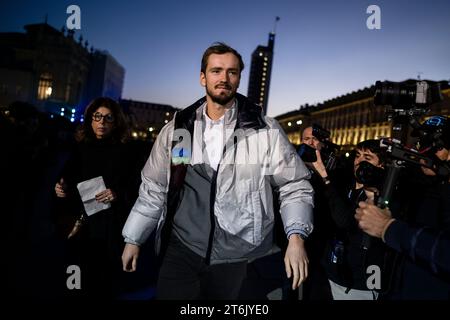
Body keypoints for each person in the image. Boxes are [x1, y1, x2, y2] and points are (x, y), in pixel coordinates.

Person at [121, 42, 314, 300]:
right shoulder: (180, 129)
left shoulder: (264, 130)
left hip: (239, 256)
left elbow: (294, 186)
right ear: (203, 77)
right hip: (181, 250)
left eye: (232, 72)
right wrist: (134, 238)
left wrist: (296, 237)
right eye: (216, 70)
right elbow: (155, 188)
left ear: (238, 79)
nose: (224, 78)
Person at [54, 97, 144, 298]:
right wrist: (60, 188)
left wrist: (117, 193)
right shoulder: (80, 147)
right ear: (90, 119)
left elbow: (137, 186)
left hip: (109, 230)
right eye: (97, 116)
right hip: (80, 227)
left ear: (116, 122)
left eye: (108, 118)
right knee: (74, 280)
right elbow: (66, 178)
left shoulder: (127, 151)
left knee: (102, 284)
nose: (102, 122)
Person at [355, 116, 450, 299]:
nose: (425, 151)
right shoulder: (422, 183)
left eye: (436, 146)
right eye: (422, 143)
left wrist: (388, 228)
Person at [318, 139, 389, 300]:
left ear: (381, 166)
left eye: (368, 157)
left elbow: (345, 221)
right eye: (358, 155)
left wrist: (325, 177)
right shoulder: (344, 183)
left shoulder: (382, 195)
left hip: (362, 284)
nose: (359, 161)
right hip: (332, 275)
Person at [297, 125, 334, 300]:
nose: (311, 143)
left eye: (315, 139)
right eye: (306, 139)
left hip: (321, 236)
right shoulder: (292, 164)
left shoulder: (331, 166)